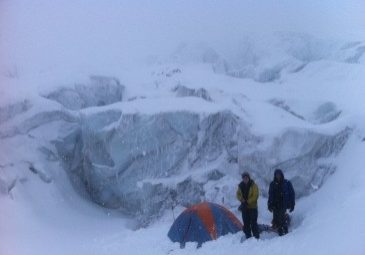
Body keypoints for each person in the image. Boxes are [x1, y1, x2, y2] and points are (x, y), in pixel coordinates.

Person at [267, 169, 295, 236]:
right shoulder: (272, 184)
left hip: (284, 204)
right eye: (277, 174)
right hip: (275, 204)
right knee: (276, 218)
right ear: (275, 175)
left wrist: (292, 203)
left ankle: (285, 231)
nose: (278, 176)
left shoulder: (287, 183)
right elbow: (270, 195)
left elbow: (292, 193)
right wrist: (269, 204)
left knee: (282, 217)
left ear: (281, 174)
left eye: (279, 174)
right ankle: (280, 231)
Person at [236, 172, 260, 239]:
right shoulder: (241, 186)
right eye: (244, 178)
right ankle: (248, 237)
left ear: (249, 178)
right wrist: (241, 199)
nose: (245, 179)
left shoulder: (253, 185)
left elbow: (256, 195)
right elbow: (238, 194)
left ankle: (256, 237)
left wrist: (247, 201)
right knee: (246, 223)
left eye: (246, 178)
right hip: (244, 208)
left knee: (253, 223)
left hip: (252, 207)